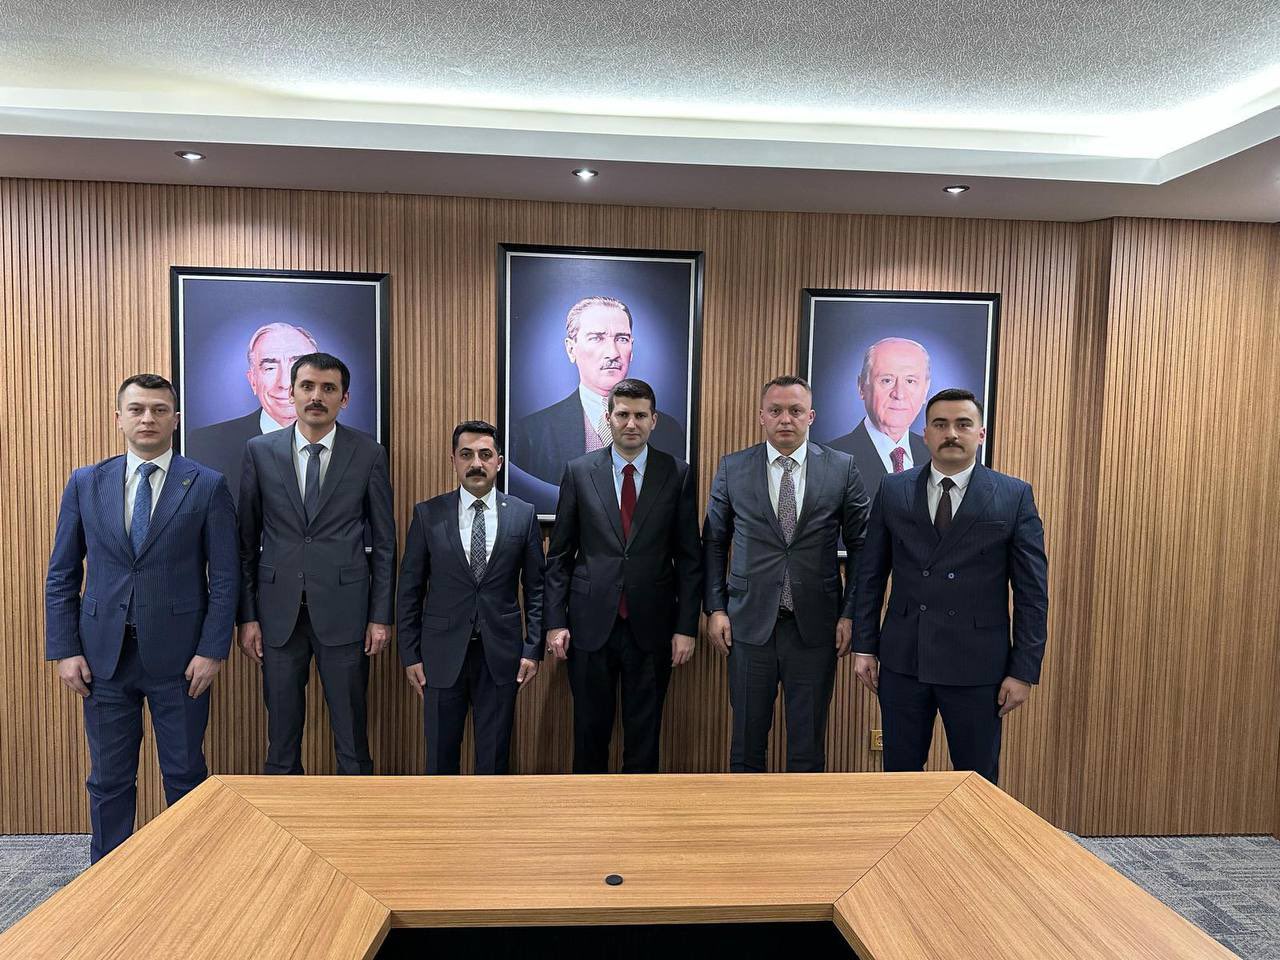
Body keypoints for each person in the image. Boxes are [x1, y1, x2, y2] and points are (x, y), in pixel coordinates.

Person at [44, 373, 238, 862]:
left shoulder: (206, 484)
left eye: (158, 409)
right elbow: (62, 574)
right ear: (119, 419)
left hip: (181, 661)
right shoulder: (86, 482)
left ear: (176, 419)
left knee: (185, 774)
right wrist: (65, 649)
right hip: (102, 658)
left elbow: (226, 578)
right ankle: (108, 876)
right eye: (136, 409)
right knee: (108, 778)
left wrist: (212, 650)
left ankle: (188, 874)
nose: (147, 418)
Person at [852, 388, 1049, 783]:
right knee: (900, 778)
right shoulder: (893, 489)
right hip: (904, 660)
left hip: (979, 665)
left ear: (981, 433)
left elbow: (1032, 594)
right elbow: (870, 576)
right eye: (940, 425)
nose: (952, 434)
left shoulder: (1013, 495)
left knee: (976, 781)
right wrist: (864, 647)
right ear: (925, 434)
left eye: (963, 424)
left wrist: (1024, 671)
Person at [236, 352, 396, 775]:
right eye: (307, 386)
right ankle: (284, 814)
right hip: (278, 615)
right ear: (292, 392)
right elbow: (245, 543)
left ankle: (355, 814)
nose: (316, 397)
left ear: (344, 398)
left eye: (328, 388)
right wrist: (247, 616)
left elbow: (384, 543)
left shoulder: (368, 453)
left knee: (352, 735)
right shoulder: (259, 451)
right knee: (281, 738)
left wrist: (381, 616)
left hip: (346, 613)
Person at [703, 375, 870, 773]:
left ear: (810, 416)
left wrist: (850, 614)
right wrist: (716, 609)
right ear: (761, 416)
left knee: (807, 749)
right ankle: (747, 815)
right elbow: (713, 543)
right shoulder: (733, 468)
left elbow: (863, 548)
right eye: (775, 410)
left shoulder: (842, 468)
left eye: (795, 411)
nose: (785, 419)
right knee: (746, 745)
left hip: (815, 628)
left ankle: (804, 817)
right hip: (747, 626)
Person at [544, 378, 702, 773]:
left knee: (644, 736)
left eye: (640, 416)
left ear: (654, 420)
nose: (631, 423)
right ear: (608, 417)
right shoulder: (579, 472)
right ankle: (589, 809)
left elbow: (689, 558)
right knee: (589, 733)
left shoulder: (677, 474)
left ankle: (640, 810)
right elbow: (560, 556)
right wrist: (555, 622)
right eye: (623, 414)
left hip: (652, 627)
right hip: (589, 625)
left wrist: (686, 628)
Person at [396, 420, 545, 774]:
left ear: (499, 462)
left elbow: (537, 589)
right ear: (453, 461)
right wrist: (410, 654)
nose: (476, 463)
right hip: (440, 656)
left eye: (485, 454)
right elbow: (409, 590)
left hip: (501, 656)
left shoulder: (523, 515)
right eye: (466, 455)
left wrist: (532, 649)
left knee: (494, 762)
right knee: (439, 760)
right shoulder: (428, 514)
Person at [511, 297, 687, 486]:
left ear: (632, 348)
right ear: (571, 349)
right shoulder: (530, 436)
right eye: (596, 338)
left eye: (622, 339)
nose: (613, 353)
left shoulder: (669, 431)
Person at [184, 322, 319, 501]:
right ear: (253, 380)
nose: (285, 383)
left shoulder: (353, 448)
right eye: (270, 368)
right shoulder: (206, 444)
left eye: (298, 368)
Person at [828, 337, 931, 492]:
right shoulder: (830, 460)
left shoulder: (937, 456)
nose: (899, 394)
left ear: (925, 390)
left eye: (910, 381)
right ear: (862, 386)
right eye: (887, 380)